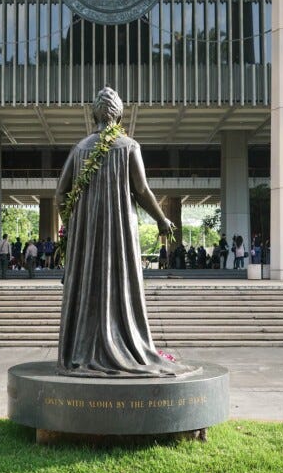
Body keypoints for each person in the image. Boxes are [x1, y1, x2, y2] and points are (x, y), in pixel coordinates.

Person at [55, 86, 196, 378]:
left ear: (94, 113)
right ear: (119, 116)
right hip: (119, 235)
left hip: (87, 238)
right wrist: (161, 219)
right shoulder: (129, 146)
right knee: (122, 284)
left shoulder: (80, 149)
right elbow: (142, 190)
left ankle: (84, 349)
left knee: (88, 286)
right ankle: (124, 344)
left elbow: (60, 194)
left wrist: (71, 227)